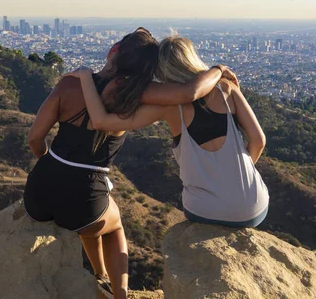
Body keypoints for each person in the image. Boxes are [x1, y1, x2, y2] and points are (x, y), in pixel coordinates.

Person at [23, 29, 234, 299]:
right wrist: (217, 70)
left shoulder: (68, 84)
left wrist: (50, 166)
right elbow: (189, 92)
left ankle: (100, 276)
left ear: (114, 51)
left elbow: (34, 138)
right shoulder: (137, 93)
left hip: (38, 197)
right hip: (84, 201)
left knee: (94, 217)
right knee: (113, 223)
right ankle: (119, 293)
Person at [69, 35, 269, 229]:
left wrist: (86, 76)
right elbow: (258, 140)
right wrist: (234, 177)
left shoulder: (169, 107)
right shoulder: (227, 89)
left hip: (204, 210)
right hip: (253, 208)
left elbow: (101, 121)